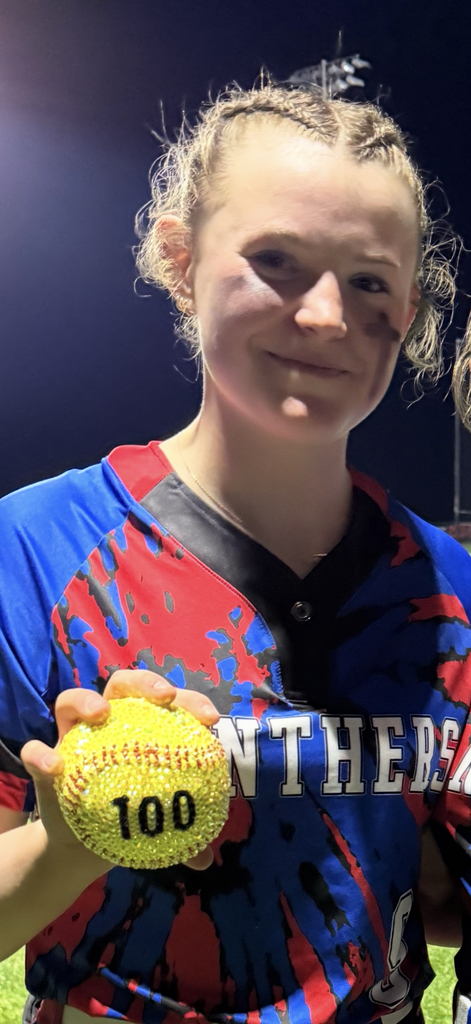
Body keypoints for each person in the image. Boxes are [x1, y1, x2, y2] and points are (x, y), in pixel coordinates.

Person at [1, 79, 471, 1024]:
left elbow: (434, 896)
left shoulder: (448, 590)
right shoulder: (33, 552)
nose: (326, 316)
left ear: (410, 310)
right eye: (277, 261)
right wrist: (68, 844)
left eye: (370, 281)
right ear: (180, 260)